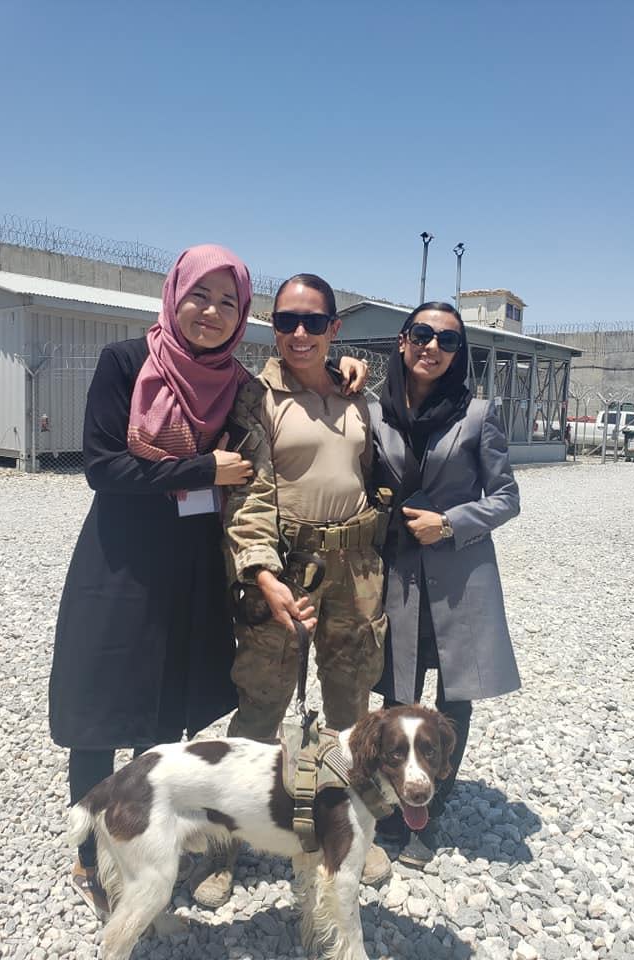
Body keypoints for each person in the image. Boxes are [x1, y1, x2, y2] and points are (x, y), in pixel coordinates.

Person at [48, 245, 368, 918]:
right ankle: (90, 854)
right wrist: (199, 471)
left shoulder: (233, 384)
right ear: (175, 293)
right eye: (201, 296)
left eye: (229, 302)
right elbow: (103, 467)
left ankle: (143, 831)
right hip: (121, 558)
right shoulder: (125, 363)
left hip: (193, 563)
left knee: (165, 708)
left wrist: (336, 368)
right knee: (101, 706)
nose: (212, 313)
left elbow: (285, 419)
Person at [221, 273, 392, 888]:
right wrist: (261, 574)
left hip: (357, 567)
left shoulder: (358, 395)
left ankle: (352, 828)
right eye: (287, 321)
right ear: (272, 326)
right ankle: (227, 843)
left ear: (333, 329)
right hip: (287, 570)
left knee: (352, 701)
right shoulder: (256, 398)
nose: (299, 333)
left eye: (313, 322)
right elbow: (247, 496)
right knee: (261, 702)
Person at [370, 301, 521, 867]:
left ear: (460, 353)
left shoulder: (479, 414)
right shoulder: (375, 410)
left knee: (451, 698)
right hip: (398, 577)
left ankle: (430, 811)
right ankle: (391, 802)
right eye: (422, 334)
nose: (433, 346)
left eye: (448, 340)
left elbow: (507, 497)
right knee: (396, 693)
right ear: (404, 341)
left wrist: (452, 523)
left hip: (458, 576)